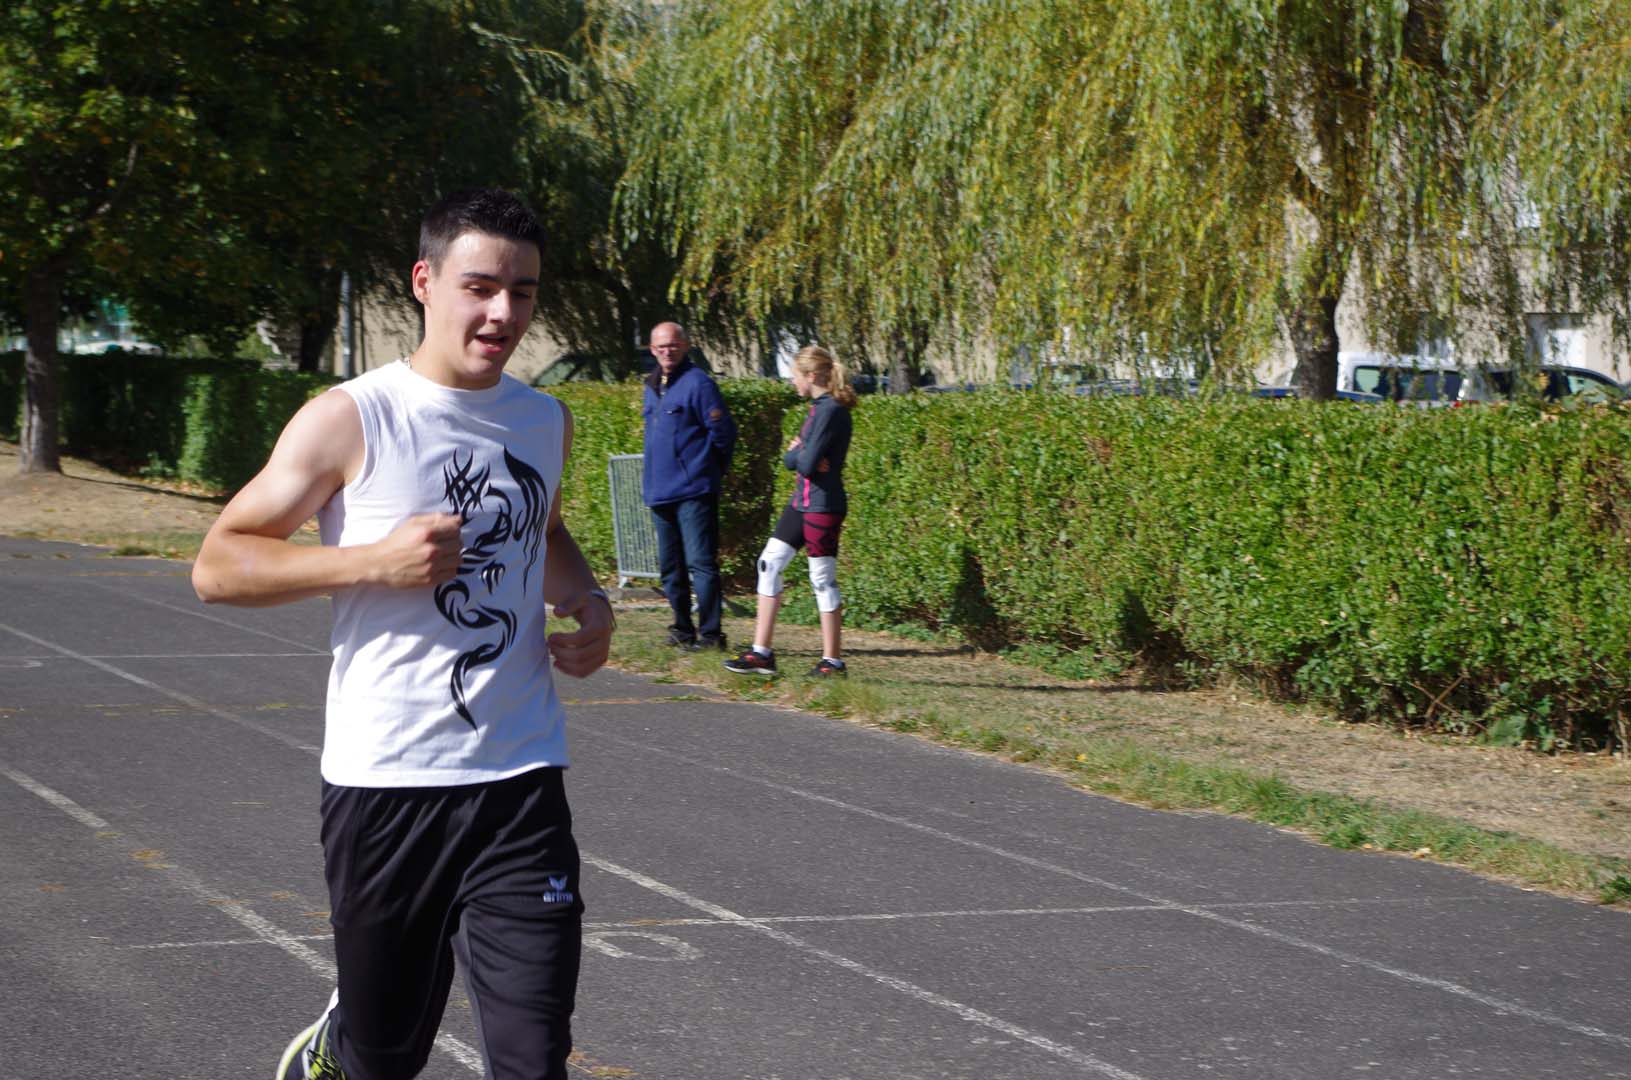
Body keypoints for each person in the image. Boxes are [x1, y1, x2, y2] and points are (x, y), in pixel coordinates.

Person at [190, 188, 614, 1080]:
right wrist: (367, 563)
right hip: (387, 786)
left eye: (525, 292)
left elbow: (541, 528)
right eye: (481, 286)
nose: (503, 313)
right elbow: (219, 565)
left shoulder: (544, 420)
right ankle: (339, 1046)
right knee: (385, 1057)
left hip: (520, 778)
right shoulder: (350, 417)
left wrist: (588, 603)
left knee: (534, 1058)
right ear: (424, 282)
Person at [724, 344, 857, 678]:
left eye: (794, 376)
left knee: (822, 579)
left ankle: (833, 662)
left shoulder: (831, 410)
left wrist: (801, 455)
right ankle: (761, 654)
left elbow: (807, 462)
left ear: (810, 376)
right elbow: (793, 460)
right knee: (768, 564)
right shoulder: (816, 408)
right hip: (801, 503)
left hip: (823, 506)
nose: (792, 383)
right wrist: (800, 456)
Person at [641, 321, 737, 651]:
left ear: (685, 346)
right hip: (659, 491)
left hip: (694, 491)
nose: (667, 351)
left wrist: (708, 473)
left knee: (701, 563)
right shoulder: (652, 385)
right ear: (652, 350)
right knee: (670, 568)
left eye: (673, 345)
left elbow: (723, 434)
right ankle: (682, 628)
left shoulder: (699, 383)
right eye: (661, 347)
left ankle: (711, 635)